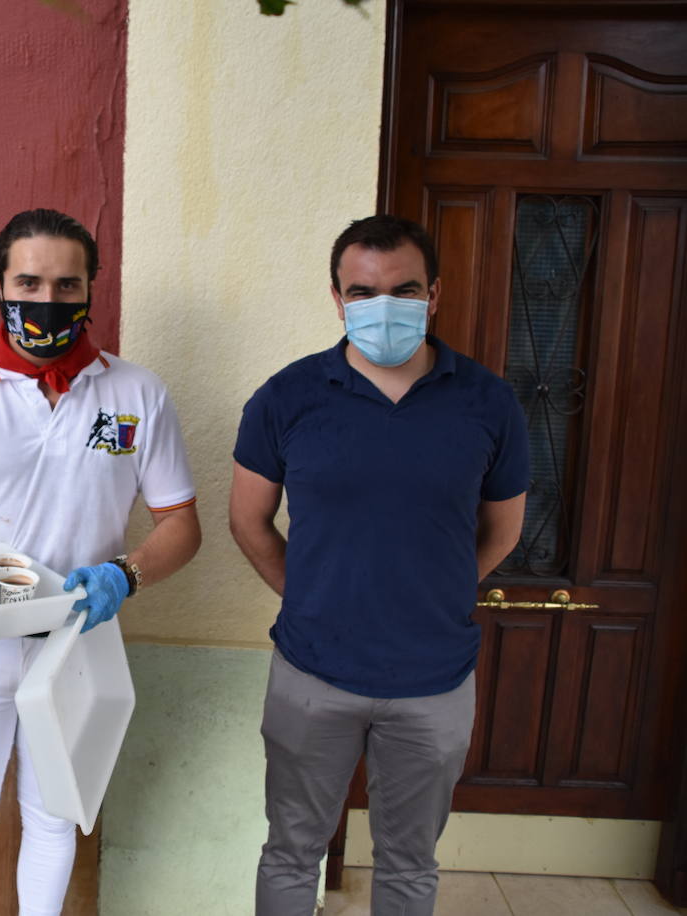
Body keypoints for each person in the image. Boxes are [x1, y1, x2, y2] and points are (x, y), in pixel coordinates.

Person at [230, 215, 530, 915]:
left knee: (407, 866)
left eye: (404, 289)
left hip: (433, 682)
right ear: (337, 299)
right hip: (311, 673)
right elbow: (248, 521)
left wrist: (434, 595)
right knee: (290, 852)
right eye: (362, 292)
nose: (382, 306)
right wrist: (308, 597)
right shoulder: (288, 397)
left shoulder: (489, 402)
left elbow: (503, 530)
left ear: (435, 295)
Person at [0, 208, 202, 915]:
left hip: (78, 644)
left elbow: (182, 527)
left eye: (67, 285)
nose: (47, 301)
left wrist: (124, 576)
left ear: (92, 289)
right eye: (29, 282)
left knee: (53, 820)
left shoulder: (137, 395)